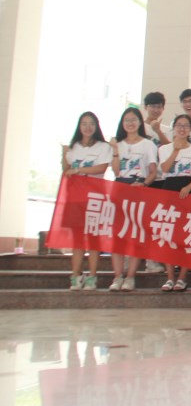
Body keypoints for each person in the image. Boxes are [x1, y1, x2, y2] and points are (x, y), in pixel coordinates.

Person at [61, 111, 112, 291]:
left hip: (95, 197)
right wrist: (63, 155)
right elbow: (66, 171)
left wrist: (79, 170)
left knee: (93, 238)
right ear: (79, 126)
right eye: (84, 123)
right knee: (77, 239)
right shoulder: (73, 147)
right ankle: (76, 275)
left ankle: (92, 276)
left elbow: (102, 168)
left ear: (96, 126)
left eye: (91, 123)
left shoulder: (103, 146)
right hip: (76, 197)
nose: (88, 127)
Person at [108, 107, 157, 292]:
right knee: (117, 236)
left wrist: (144, 184)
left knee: (135, 235)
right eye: (126, 120)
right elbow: (116, 171)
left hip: (138, 189)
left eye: (133, 119)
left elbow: (153, 172)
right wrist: (114, 150)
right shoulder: (117, 144)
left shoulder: (148, 144)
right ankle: (117, 276)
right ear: (122, 123)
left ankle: (130, 277)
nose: (130, 123)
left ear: (140, 122)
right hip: (120, 189)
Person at [156, 114, 191, 292]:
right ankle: (170, 277)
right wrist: (175, 151)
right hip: (170, 188)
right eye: (179, 125)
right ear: (173, 128)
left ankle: (182, 278)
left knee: (186, 234)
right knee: (169, 233)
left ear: (190, 129)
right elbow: (165, 169)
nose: (182, 129)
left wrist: (190, 188)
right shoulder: (164, 148)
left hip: (189, 189)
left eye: (186, 126)